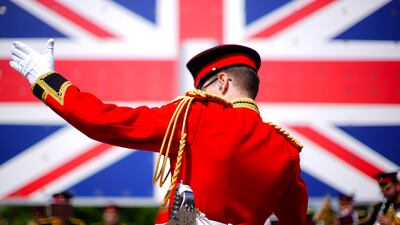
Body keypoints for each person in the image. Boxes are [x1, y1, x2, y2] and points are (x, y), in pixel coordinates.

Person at [9, 39, 311, 225]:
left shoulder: (196, 114)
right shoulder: (286, 151)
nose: (197, 94)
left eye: (201, 87)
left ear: (222, 83)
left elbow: (104, 121)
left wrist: (45, 80)